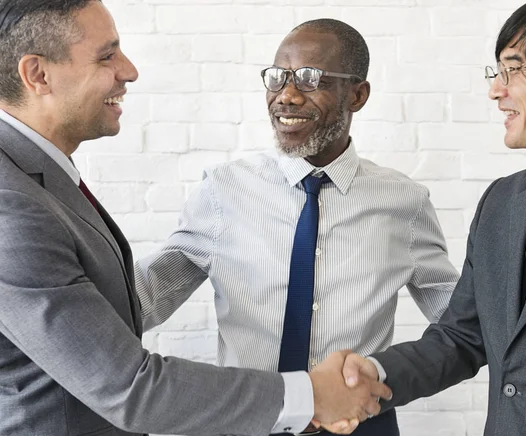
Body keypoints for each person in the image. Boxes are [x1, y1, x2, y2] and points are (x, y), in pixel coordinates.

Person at [0, 2, 391, 435]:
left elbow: (458, 318)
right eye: (107, 55)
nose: (129, 71)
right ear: (38, 75)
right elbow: (132, 383)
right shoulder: (11, 203)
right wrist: (312, 395)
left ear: (357, 94)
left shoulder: (40, 178)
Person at [136, 18, 458, 436]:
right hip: (246, 421)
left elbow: (461, 320)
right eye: (278, 78)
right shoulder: (223, 191)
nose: (286, 96)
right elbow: (146, 297)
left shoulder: (405, 203)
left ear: (357, 94)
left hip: (360, 427)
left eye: (310, 80)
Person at [336, 0, 526, 435]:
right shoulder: (501, 202)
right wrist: (375, 375)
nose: (496, 91)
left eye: (513, 70)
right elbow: (462, 337)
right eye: (495, 73)